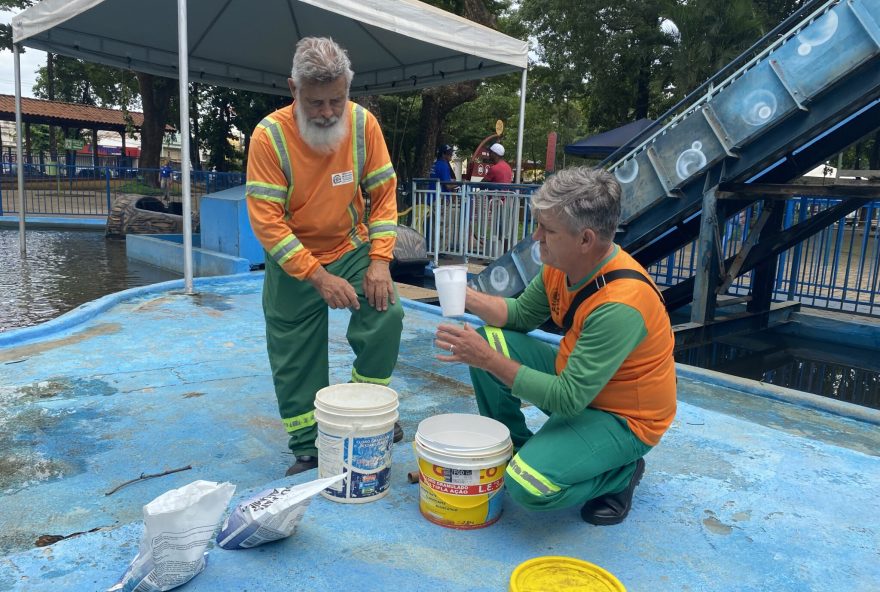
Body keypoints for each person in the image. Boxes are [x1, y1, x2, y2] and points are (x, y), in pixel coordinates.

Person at [434, 166, 676, 525]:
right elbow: (518, 316)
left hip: (624, 419)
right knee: (490, 339)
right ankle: (515, 447)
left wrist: (486, 360)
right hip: (582, 387)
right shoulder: (562, 265)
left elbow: (567, 399)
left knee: (527, 486)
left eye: (547, 230)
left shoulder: (621, 305)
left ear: (585, 239)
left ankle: (622, 473)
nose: (536, 237)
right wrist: (466, 296)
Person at [246, 37, 404, 476]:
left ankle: (367, 410)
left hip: (350, 246)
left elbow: (384, 196)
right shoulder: (269, 137)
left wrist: (380, 261)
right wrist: (316, 276)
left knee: (385, 312)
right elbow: (267, 222)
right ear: (293, 89)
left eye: (338, 99)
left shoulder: (363, 124)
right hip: (293, 257)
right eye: (316, 103)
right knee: (294, 350)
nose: (328, 112)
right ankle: (308, 447)